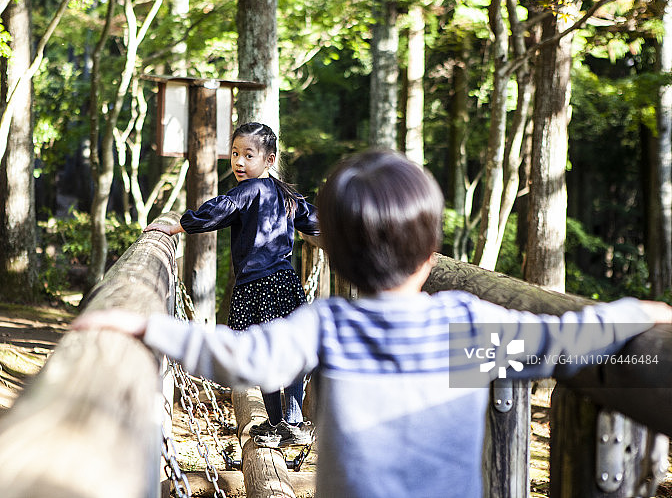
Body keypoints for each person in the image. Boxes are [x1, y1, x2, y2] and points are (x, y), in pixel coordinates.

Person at [75, 148, 672, 498]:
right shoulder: (466, 324)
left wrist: (149, 329)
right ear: (431, 252)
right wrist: (632, 314)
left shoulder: (331, 325)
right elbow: (565, 341)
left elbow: (244, 357)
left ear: (335, 255)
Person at [145, 121, 319, 448]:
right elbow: (315, 221)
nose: (239, 162)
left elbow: (217, 211)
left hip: (257, 287)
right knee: (290, 348)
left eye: (248, 155)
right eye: (235, 153)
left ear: (269, 160)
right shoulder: (286, 193)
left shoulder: (247, 191)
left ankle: (280, 422)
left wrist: (179, 226)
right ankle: (292, 420)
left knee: (264, 354)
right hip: (285, 282)